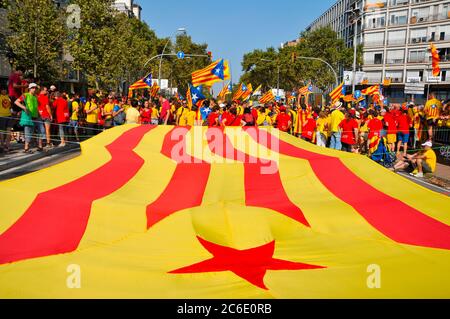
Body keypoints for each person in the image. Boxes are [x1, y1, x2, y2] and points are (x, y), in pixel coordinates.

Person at [14, 83, 44, 153]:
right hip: (28, 117)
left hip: (36, 117)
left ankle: (40, 146)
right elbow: (16, 102)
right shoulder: (25, 95)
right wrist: (24, 108)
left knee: (41, 131)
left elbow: (36, 107)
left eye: (35, 88)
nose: (34, 89)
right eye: (33, 88)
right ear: (29, 89)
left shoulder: (36, 96)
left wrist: (39, 114)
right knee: (28, 132)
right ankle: (26, 148)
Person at [0, 88, 12, 152]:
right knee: (2, 132)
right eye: (2, 89)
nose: (4, 91)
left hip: (9, 115)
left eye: (5, 89)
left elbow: (10, 106)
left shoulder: (8, 97)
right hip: (1, 116)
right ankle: (2, 145)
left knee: (8, 131)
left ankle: (8, 145)